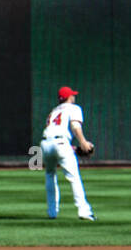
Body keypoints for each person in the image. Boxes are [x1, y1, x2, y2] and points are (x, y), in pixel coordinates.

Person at [39, 85, 96, 221]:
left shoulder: (53, 111)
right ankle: (84, 212)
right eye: (72, 95)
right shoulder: (73, 108)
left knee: (50, 175)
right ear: (69, 97)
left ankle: (52, 212)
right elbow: (75, 127)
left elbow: (54, 133)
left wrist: (73, 148)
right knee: (74, 177)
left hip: (45, 144)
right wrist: (83, 142)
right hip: (60, 143)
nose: (74, 96)